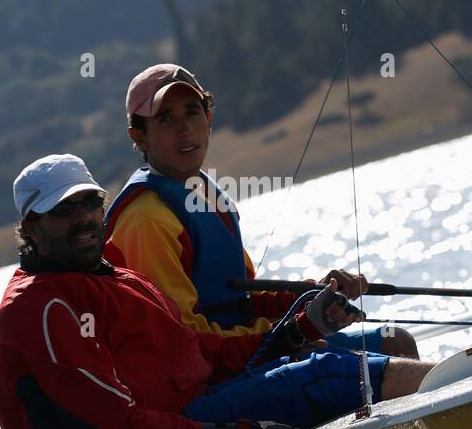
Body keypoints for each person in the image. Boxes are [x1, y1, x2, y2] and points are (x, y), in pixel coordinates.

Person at [0, 153, 434, 429]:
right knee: (325, 374)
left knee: (358, 351)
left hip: (189, 423)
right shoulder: (40, 310)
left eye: (90, 203)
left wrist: (299, 328)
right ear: (31, 226)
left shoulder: (114, 279)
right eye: (65, 210)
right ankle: (468, 398)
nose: (84, 217)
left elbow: (204, 355)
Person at [105, 62, 419, 356]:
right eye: (166, 119)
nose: (185, 129)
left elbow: (243, 300)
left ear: (209, 119)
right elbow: (182, 339)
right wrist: (290, 333)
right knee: (378, 356)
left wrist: (313, 296)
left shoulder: (204, 192)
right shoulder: (146, 219)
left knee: (396, 342)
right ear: (139, 137)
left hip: (248, 352)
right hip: (213, 379)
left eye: (192, 112)